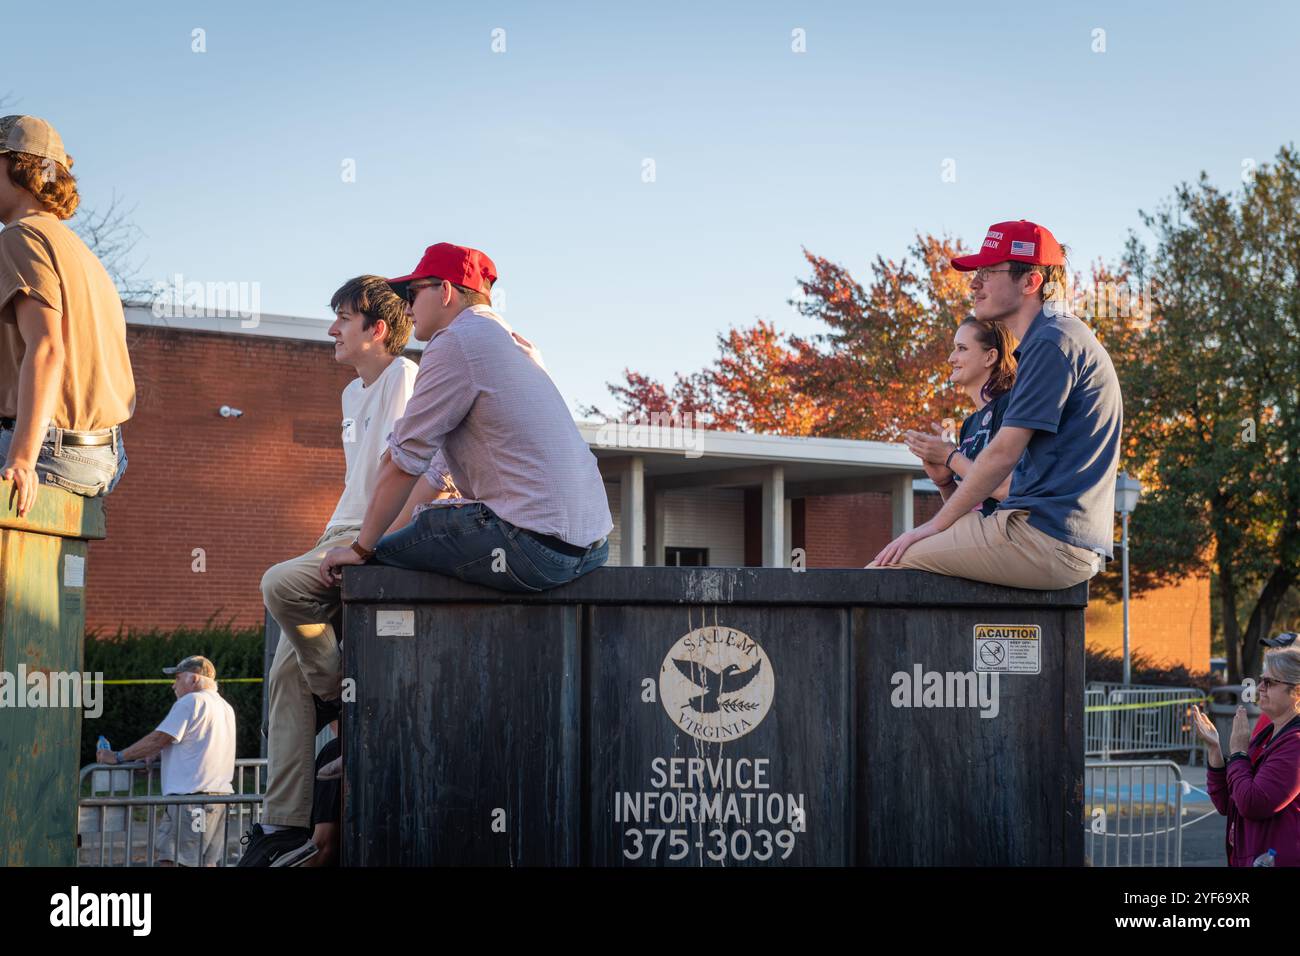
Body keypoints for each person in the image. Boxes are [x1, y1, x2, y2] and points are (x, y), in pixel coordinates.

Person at [239, 276, 453, 867]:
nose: (331, 329)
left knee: (278, 583)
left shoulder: (403, 378)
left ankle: (335, 692)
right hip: (336, 531)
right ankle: (282, 824)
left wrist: (375, 546)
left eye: (341, 317)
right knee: (284, 679)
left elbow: (429, 467)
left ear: (377, 328)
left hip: (369, 535)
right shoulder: (349, 397)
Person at [317, 242, 612, 594]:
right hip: (593, 548)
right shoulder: (514, 346)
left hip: (530, 549)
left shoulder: (455, 341)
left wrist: (360, 549)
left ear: (445, 291)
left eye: (412, 293)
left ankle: (359, 646)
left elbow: (404, 462)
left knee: (376, 560)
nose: (407, 308)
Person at [871, 220, 1121, 590]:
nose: (974, 283)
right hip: (1040, 531)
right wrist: (944, 485)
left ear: (1031, 282)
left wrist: (933, 525)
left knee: (886, 572)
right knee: (900, 559)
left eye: (988, 273)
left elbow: (1003, 454)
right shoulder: (1056, 335)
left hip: (1047, 538)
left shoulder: (1053, 341)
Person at [0, 115, 135, 517]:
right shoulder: (77, 251)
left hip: (45, 451)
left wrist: (22, 459)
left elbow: (46, 347)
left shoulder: (20, 237)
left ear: (14, 165)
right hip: (101, 453)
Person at [96, 656, 236, 867]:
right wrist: (159, 754)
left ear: (194, 679)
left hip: (191, 800)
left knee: (172, 860)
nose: (173, 685)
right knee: (206, 863)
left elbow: (158, 738)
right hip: (219, 798)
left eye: (178, 678)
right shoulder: (224, 706)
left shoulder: (192, 701)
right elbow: (199, 743)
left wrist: (117, 756)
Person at [1193, 646, 1300, 866]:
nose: (1260, 687)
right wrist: (1215, 750)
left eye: (1270, 682)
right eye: (1261, 680)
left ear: (1297, 692)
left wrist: (1239, 752)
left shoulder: (1296, 743)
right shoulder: (1267, 735)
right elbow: (1229, 803)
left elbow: (1253, 804)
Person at [902, 317, 1017, 516]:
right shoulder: (969, 424)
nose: (951, 358)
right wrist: (944, 482)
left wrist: (950, 456)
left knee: (906, 548)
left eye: (961, 348)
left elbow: (1007, 489)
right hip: (978, 534)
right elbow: (966, 510)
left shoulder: (1011, 406)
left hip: (1009, 532)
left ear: (989, 357)